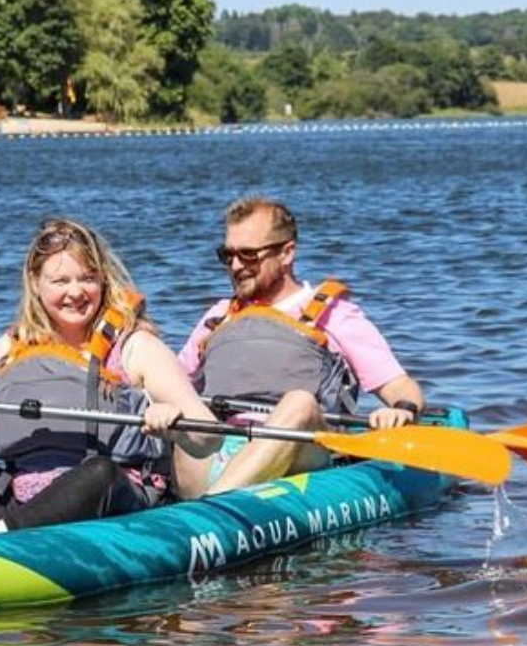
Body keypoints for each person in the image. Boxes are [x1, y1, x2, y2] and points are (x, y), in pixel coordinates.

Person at [0, 218, 220, 537]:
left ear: (103, 280)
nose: (76, 292)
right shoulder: (11, 346)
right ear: (35, 283)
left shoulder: (134, 347)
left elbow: (209, 437)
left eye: (88, 278)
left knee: (98, 472)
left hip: (111, 508)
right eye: (60, 280)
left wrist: (175, 426)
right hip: (19, 503)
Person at [174, 196, 426, 496]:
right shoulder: (218, 316)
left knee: (300, 403)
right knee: (175, 404)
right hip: (220, 453)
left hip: (299, 458)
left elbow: (401, 387)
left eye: (249, 255)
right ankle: (190, 511)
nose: (236, 266)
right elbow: (172, 382)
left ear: (287, 254)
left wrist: (401, 411)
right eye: (227, 256)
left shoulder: (334, 314)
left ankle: (214, 506)